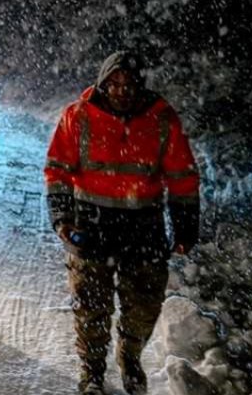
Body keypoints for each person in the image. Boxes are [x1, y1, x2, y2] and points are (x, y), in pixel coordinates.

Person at [44, 51, 200, 395]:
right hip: (91, 224)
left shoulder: (162, 120)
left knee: (143, 307)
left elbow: (182, 177)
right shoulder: (78, 117)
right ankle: (92, 374)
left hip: (144, 227)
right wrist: (62, 218)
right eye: (113, 83)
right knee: (90, 306)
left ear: (139, 85)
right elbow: (57, 170)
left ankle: (130, 360)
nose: (121, 91)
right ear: (102, 83)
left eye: (129, 84)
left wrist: (186, 226)